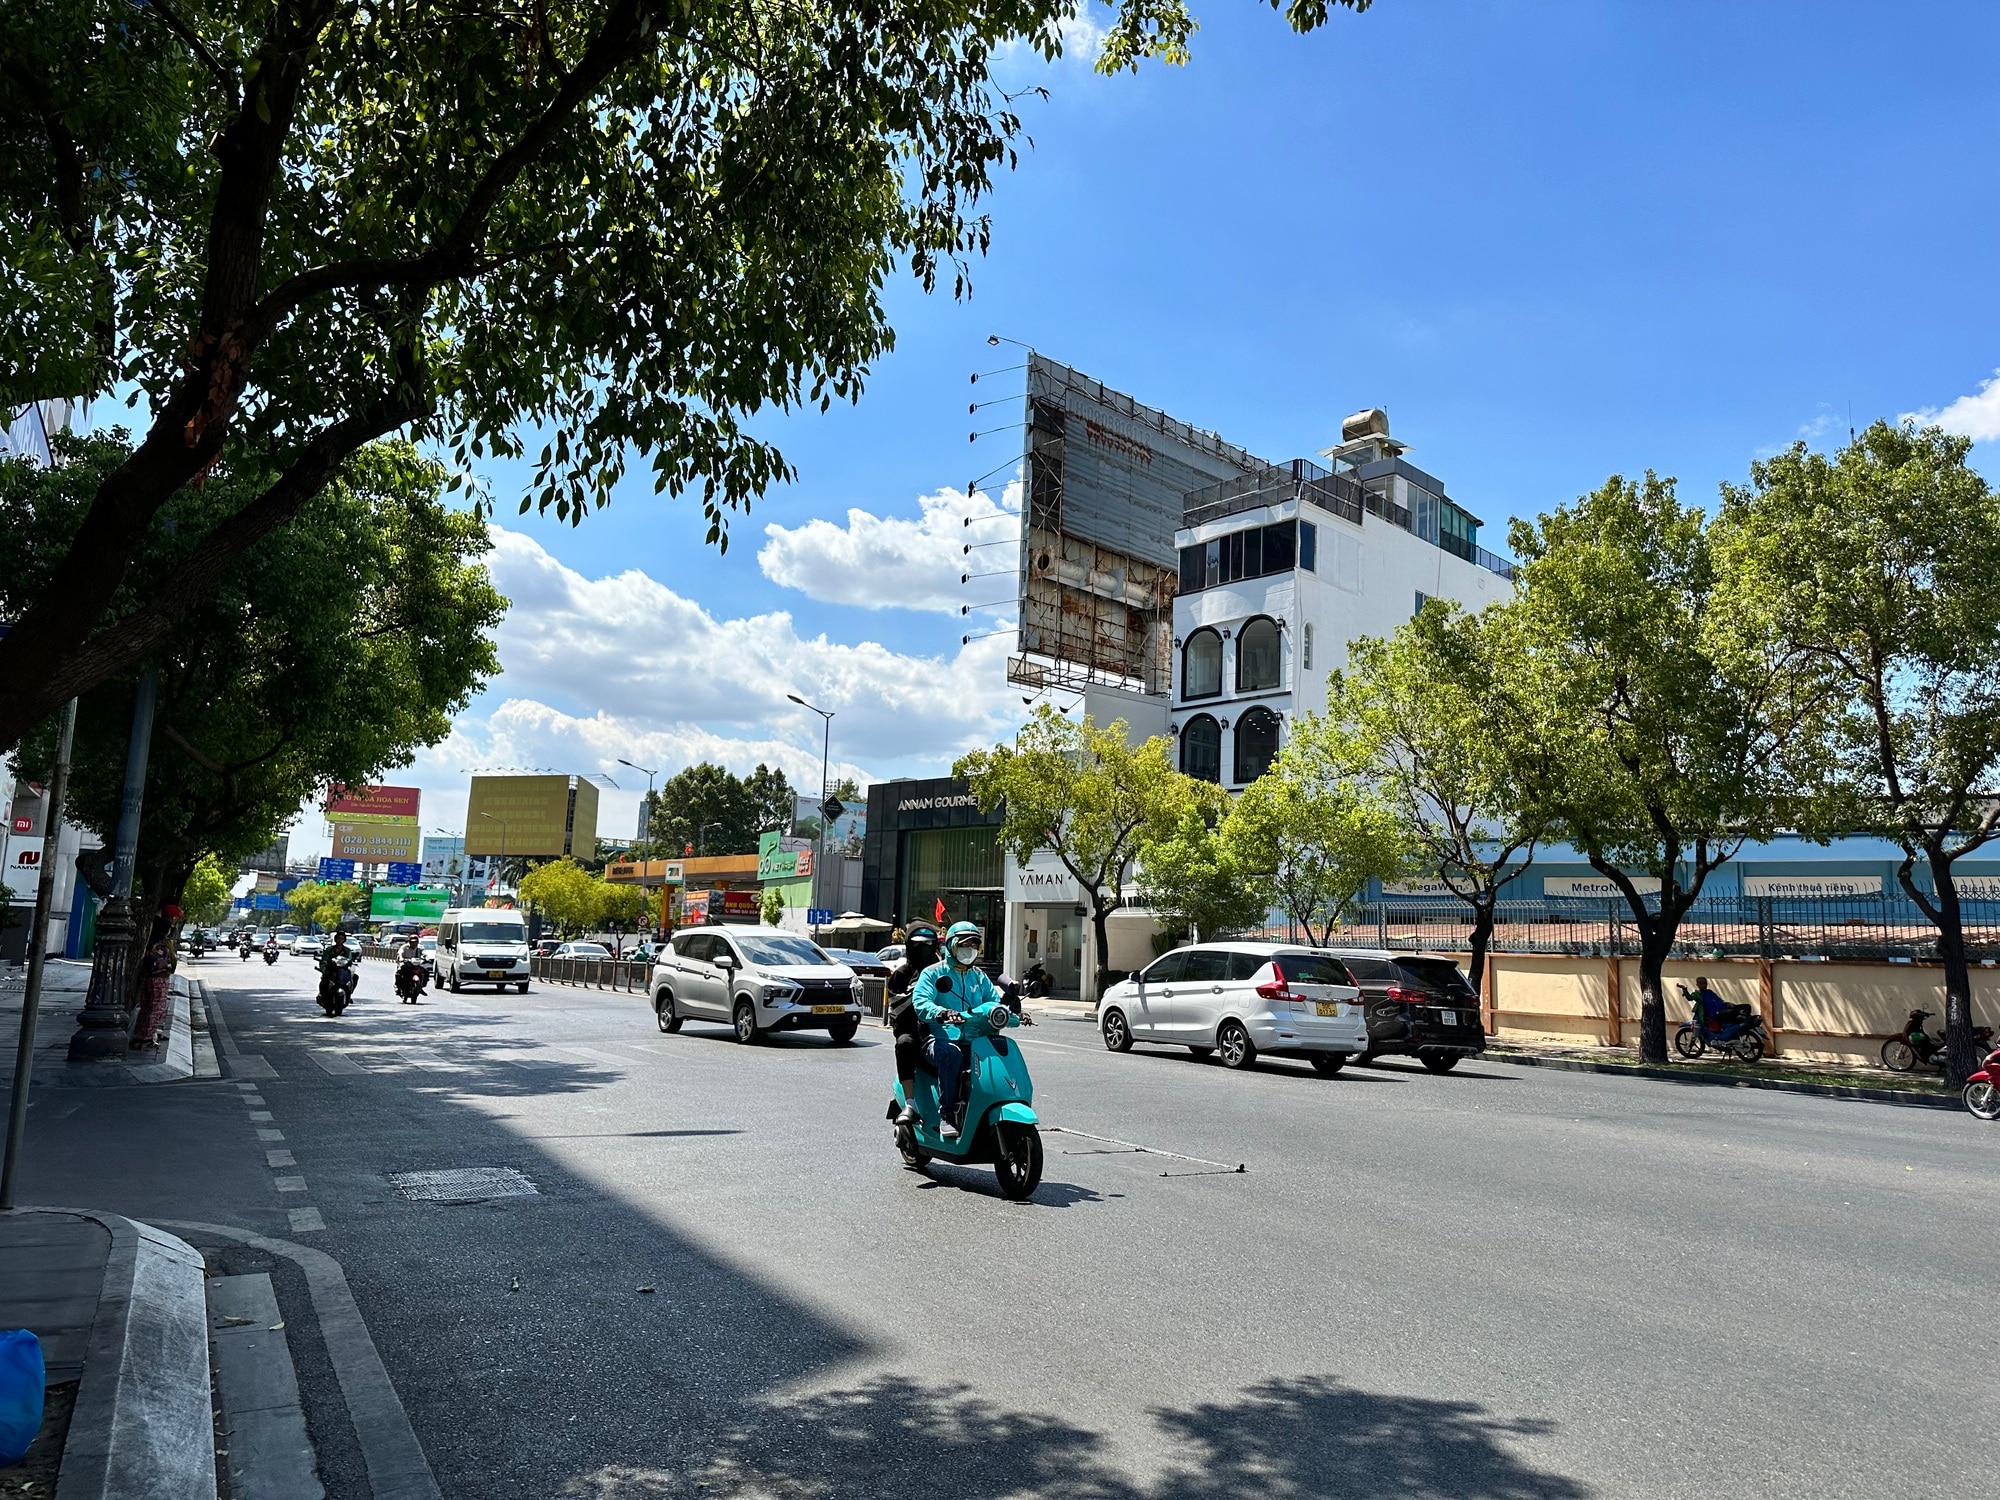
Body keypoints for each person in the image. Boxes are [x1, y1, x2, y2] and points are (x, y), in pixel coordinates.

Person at [911, 920, 1003, 1140]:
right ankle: (947, 1116)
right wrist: (941, 1013)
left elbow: (994, 1001)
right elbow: (921, 1002)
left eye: (973, 945)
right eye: (964, 944)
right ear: (951, 946)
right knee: (950, 1053)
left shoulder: (979, 976)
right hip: (938, 1038)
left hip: (975, 1040)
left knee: (999, 1051)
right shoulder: (933, 974)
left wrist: (1011, 1012)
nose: (969, 950)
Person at [886, 925, 939, 1127]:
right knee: (904, 1043)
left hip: (944, 1031)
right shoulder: (901, 975)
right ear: (909, 945)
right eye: (918, 945)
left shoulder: (945, 970)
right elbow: (897, 1006)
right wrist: (919, 993)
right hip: (914, 1034)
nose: (923, 949)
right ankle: (910, 1103)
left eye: (928, 945)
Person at [396, 934, 426, 1003]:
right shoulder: (404, 947)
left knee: (425, 972)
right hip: (407, 964)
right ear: (409, 942)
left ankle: (420, 987)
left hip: (416, 965)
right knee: (399, 972)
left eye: (415, 942)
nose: (413, 943)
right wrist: (401, 958)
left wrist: (426, 957)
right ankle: (398, 987)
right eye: (412, 942)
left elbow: (424, 953)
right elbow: (400, 953)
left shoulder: (420, 948)